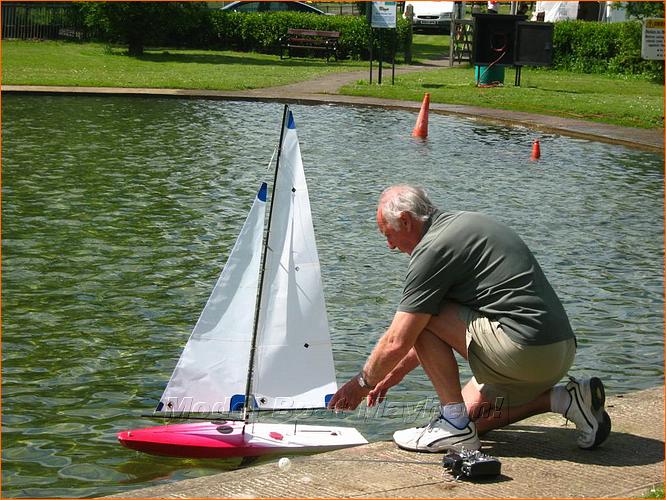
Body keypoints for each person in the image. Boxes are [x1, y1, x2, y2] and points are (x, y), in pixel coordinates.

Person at [328, 185, 611, 453]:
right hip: (558, 354)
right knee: (474, 420)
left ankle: (452, 421)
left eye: (387, 234)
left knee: (422, 320)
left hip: (524, 353)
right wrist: (392, 375)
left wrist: (361, 384)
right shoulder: (464, 224)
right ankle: (566, 398)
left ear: (405, 220)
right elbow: (433, 332)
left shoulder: (432, 249)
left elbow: (399, 339)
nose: (389, 246)